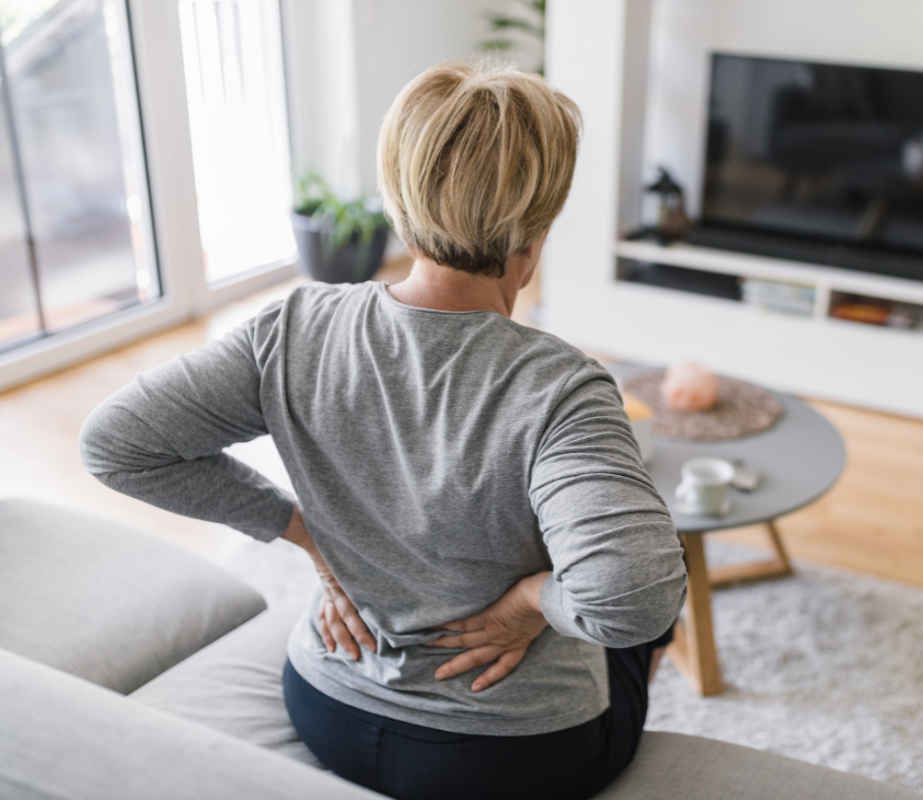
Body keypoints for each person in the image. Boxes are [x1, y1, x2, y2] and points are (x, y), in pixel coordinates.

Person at [78, 60, 687, 800]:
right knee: (654, 607)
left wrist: (307, 537)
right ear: (536, 233)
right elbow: (634, 599)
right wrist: (529, 604)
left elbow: (114, 444)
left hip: (327, 707)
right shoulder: (561, 388)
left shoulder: (293, 327)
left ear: (401, 202)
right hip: (511, 759)